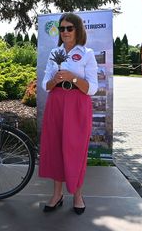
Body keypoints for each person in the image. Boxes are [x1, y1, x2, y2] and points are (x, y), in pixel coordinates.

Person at [39, 12, 98, 214]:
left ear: (77, 30)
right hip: (56, 101)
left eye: (69, 28)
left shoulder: (87, 54)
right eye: (62, 28)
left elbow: (92, 88)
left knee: (75, 149)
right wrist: (55, 80)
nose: (65, 32)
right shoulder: (55, 52)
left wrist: (72, 78)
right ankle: (57, 194)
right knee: (55, 147)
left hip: (77, 104)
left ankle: (77, 195)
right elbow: (45, 85)